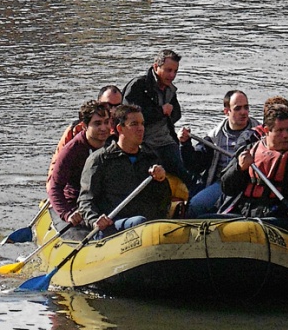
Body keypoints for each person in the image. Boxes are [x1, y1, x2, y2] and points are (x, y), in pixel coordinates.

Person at [219, 102, 288, 228]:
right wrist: (239, 169)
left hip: (278, 221)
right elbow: (226, 187)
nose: (286, 135)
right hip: (244, 216)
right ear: (266, 130)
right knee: (205, 219)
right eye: (280, 130)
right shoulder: (248, 151)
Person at [78, 104, 172, 235]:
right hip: (114, 225)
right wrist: (94, 220)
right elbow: (86, 200)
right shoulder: (100, 160)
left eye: (142, 124)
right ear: (120, 128)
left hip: (148, 227)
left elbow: (164, 201)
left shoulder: (150, 157)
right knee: (139, 222)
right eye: (134, 124)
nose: (141, 129)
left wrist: (162, 180)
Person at [186, 89, 261, 215]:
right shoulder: (214, 136)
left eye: (246, 107)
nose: (243, 112)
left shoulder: (260, 132)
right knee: (195, 206)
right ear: (226, 111)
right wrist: (185, 144)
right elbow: (196, 164)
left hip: (250, 183)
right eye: (238, 108)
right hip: (223, 182)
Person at [122, 49, 189, 180]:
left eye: (175, 71)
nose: (172, 75)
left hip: (166, 142)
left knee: (184, 176)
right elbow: (126, 116)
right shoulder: (138, 85)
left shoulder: (170, 89)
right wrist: (160, 111)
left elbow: (176, 114)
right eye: (168, 70)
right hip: (144, 143)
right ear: (156, 67)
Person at [47, 101, 113, 227]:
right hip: (77, 205)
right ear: (84, 126)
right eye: (97, 123)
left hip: (104, 202)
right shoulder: (72, 150)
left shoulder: (114, 144)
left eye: (106, 122)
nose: (104, 128)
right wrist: (67, 214)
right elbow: (54, 187)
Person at [47, 85, 124, 179]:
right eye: (108, 105)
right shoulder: (75, 130)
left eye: (118, 106)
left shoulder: (125, 131)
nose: (112, 110)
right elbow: (56, 167)